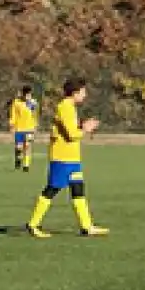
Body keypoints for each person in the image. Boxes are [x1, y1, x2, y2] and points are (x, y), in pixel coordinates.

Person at [26, 78, 108, 238]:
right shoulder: (65, 108)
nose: (85, 95)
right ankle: (33, 224)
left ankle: (86, 226)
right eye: (83, 92)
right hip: (62, 157)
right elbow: (72, 135)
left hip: (72, 158)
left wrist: (83, 125)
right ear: (75, 92)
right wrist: (85, 128)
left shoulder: (70, 107)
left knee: (78, 190)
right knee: (52, 189)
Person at [8, 85, 38, 173]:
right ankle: (18, 159)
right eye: (26, 95)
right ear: (23, 94)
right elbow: (13, 114)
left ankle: (26, 166)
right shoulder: (16, 102)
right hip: (19, 128)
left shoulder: (33, 103)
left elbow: (34, 115)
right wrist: (12, 125)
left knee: (27, 146)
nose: (28, 96)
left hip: (29, 128)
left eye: (29, 94)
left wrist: (35, 126)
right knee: (19, 147)